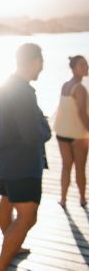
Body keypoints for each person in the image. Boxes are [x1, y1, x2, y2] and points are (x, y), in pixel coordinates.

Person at [0, 43, 51, 271]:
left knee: (6, 204)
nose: (42, 69)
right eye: (42, 63)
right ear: (34, 61)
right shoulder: (23, 91)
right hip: (23, 165)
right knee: (28, 217)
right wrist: (46, 128)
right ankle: (0, 266)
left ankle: (11, 244)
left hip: (5, 160)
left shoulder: (1, 87)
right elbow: (32, 133)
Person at [54, 55, 89, 208]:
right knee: (80, 168)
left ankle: (63, 199)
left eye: (86, 64)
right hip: (78, 134)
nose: (86, 67)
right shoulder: (80, 88)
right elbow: (82, 113)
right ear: (74, 68)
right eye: (82, 65)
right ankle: (82, 199)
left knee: (66, 167)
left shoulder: (65, 85)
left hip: (62, 132)